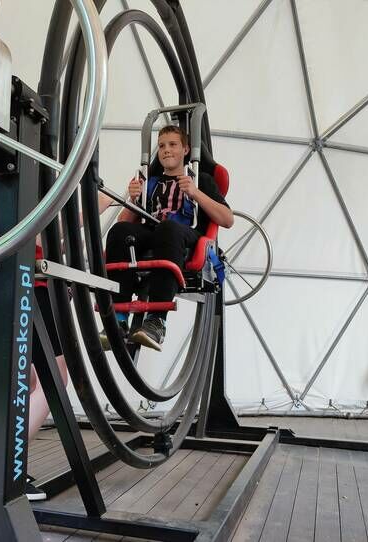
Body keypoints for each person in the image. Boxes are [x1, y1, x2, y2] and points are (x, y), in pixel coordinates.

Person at [100, 125, 233, 352]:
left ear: (185, 150)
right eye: (162, 146)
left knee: (167, 228)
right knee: (119, 231)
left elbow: (227, 219)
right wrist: (134, 199)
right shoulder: (150, 182)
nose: (166, 150)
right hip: (153, 233)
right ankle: (119, 318)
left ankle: (157, 321)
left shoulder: (200, 180)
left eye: (173, 145)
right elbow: (124, 220)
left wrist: (195, 192)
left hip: (184, 234)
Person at [25, 192, 113, 500]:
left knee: (32, 381)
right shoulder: (36, 204)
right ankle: (9, 470)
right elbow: (49, 232)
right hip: (38, 295)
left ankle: (10, 466)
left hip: (32, 293)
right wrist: (95, 203)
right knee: (54, 380)